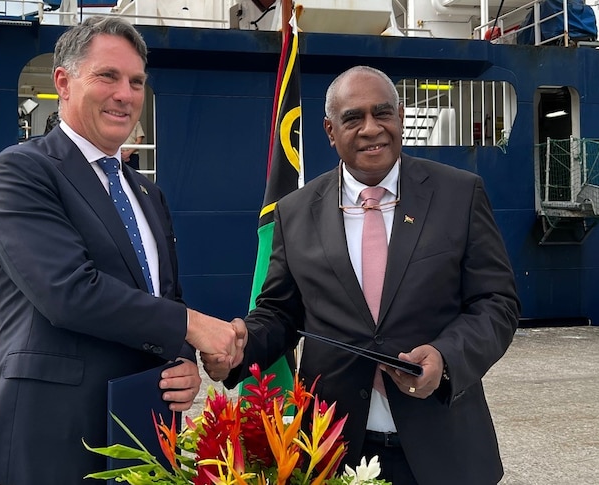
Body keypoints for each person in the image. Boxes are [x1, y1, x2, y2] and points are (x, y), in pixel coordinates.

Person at [203, 66, 520, 485]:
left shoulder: (460, 193)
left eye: (382, 113)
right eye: (353, 118)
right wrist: (240, 348)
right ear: (330, 131)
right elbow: (280, 314)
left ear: (401, 117)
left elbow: (496, 303)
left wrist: (446, 359)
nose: (371, 129)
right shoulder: (295, 212)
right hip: (332, 447)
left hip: (445, 445)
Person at [0, 17, 240, 484]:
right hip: (48, 435)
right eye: (108, 76)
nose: (126, 94)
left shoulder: (146, 193)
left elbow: (162, 299)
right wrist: (195, 328)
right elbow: (67, 292)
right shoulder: (22, 171)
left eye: (136, 82)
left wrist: (182, 362)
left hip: (138, 428)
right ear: (64, 83)